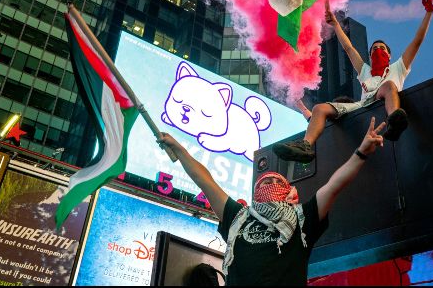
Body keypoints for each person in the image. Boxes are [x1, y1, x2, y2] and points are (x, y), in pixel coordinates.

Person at [157, 116, 387, 286]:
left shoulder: (302, 219)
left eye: (277, 182)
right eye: (265, 182)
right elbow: (205, 181)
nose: (271, 184)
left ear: (288, 192)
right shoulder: (238, 216)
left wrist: (361, 153)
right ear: (255, 192)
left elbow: (334, 186)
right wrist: (180, 149)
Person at [274, 0, 433, 163]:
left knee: (389, 86)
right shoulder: (365, 71)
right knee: (319, 108)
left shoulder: (398, 68)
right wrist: (335, 24)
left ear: (389, 55)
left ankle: (395, 120)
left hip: (383, 98)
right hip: (362, 105)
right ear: (370, 55)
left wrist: (428, 13)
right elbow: (349, 48)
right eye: (374, 49)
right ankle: (306, 146)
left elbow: (417, 41)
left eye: (382, 48)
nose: (377, 50)